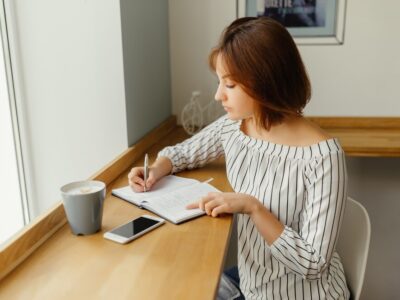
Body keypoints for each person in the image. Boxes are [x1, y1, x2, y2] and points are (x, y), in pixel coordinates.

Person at [128, 16, 349, 300]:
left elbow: (314, 263)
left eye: (229, 85)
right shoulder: (237, 126)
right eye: (220, 82)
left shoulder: (324, 157)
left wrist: (253, 208)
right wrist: (156, 169)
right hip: (252, 283)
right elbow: (184, 152)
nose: (218, 95)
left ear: (264, 83)